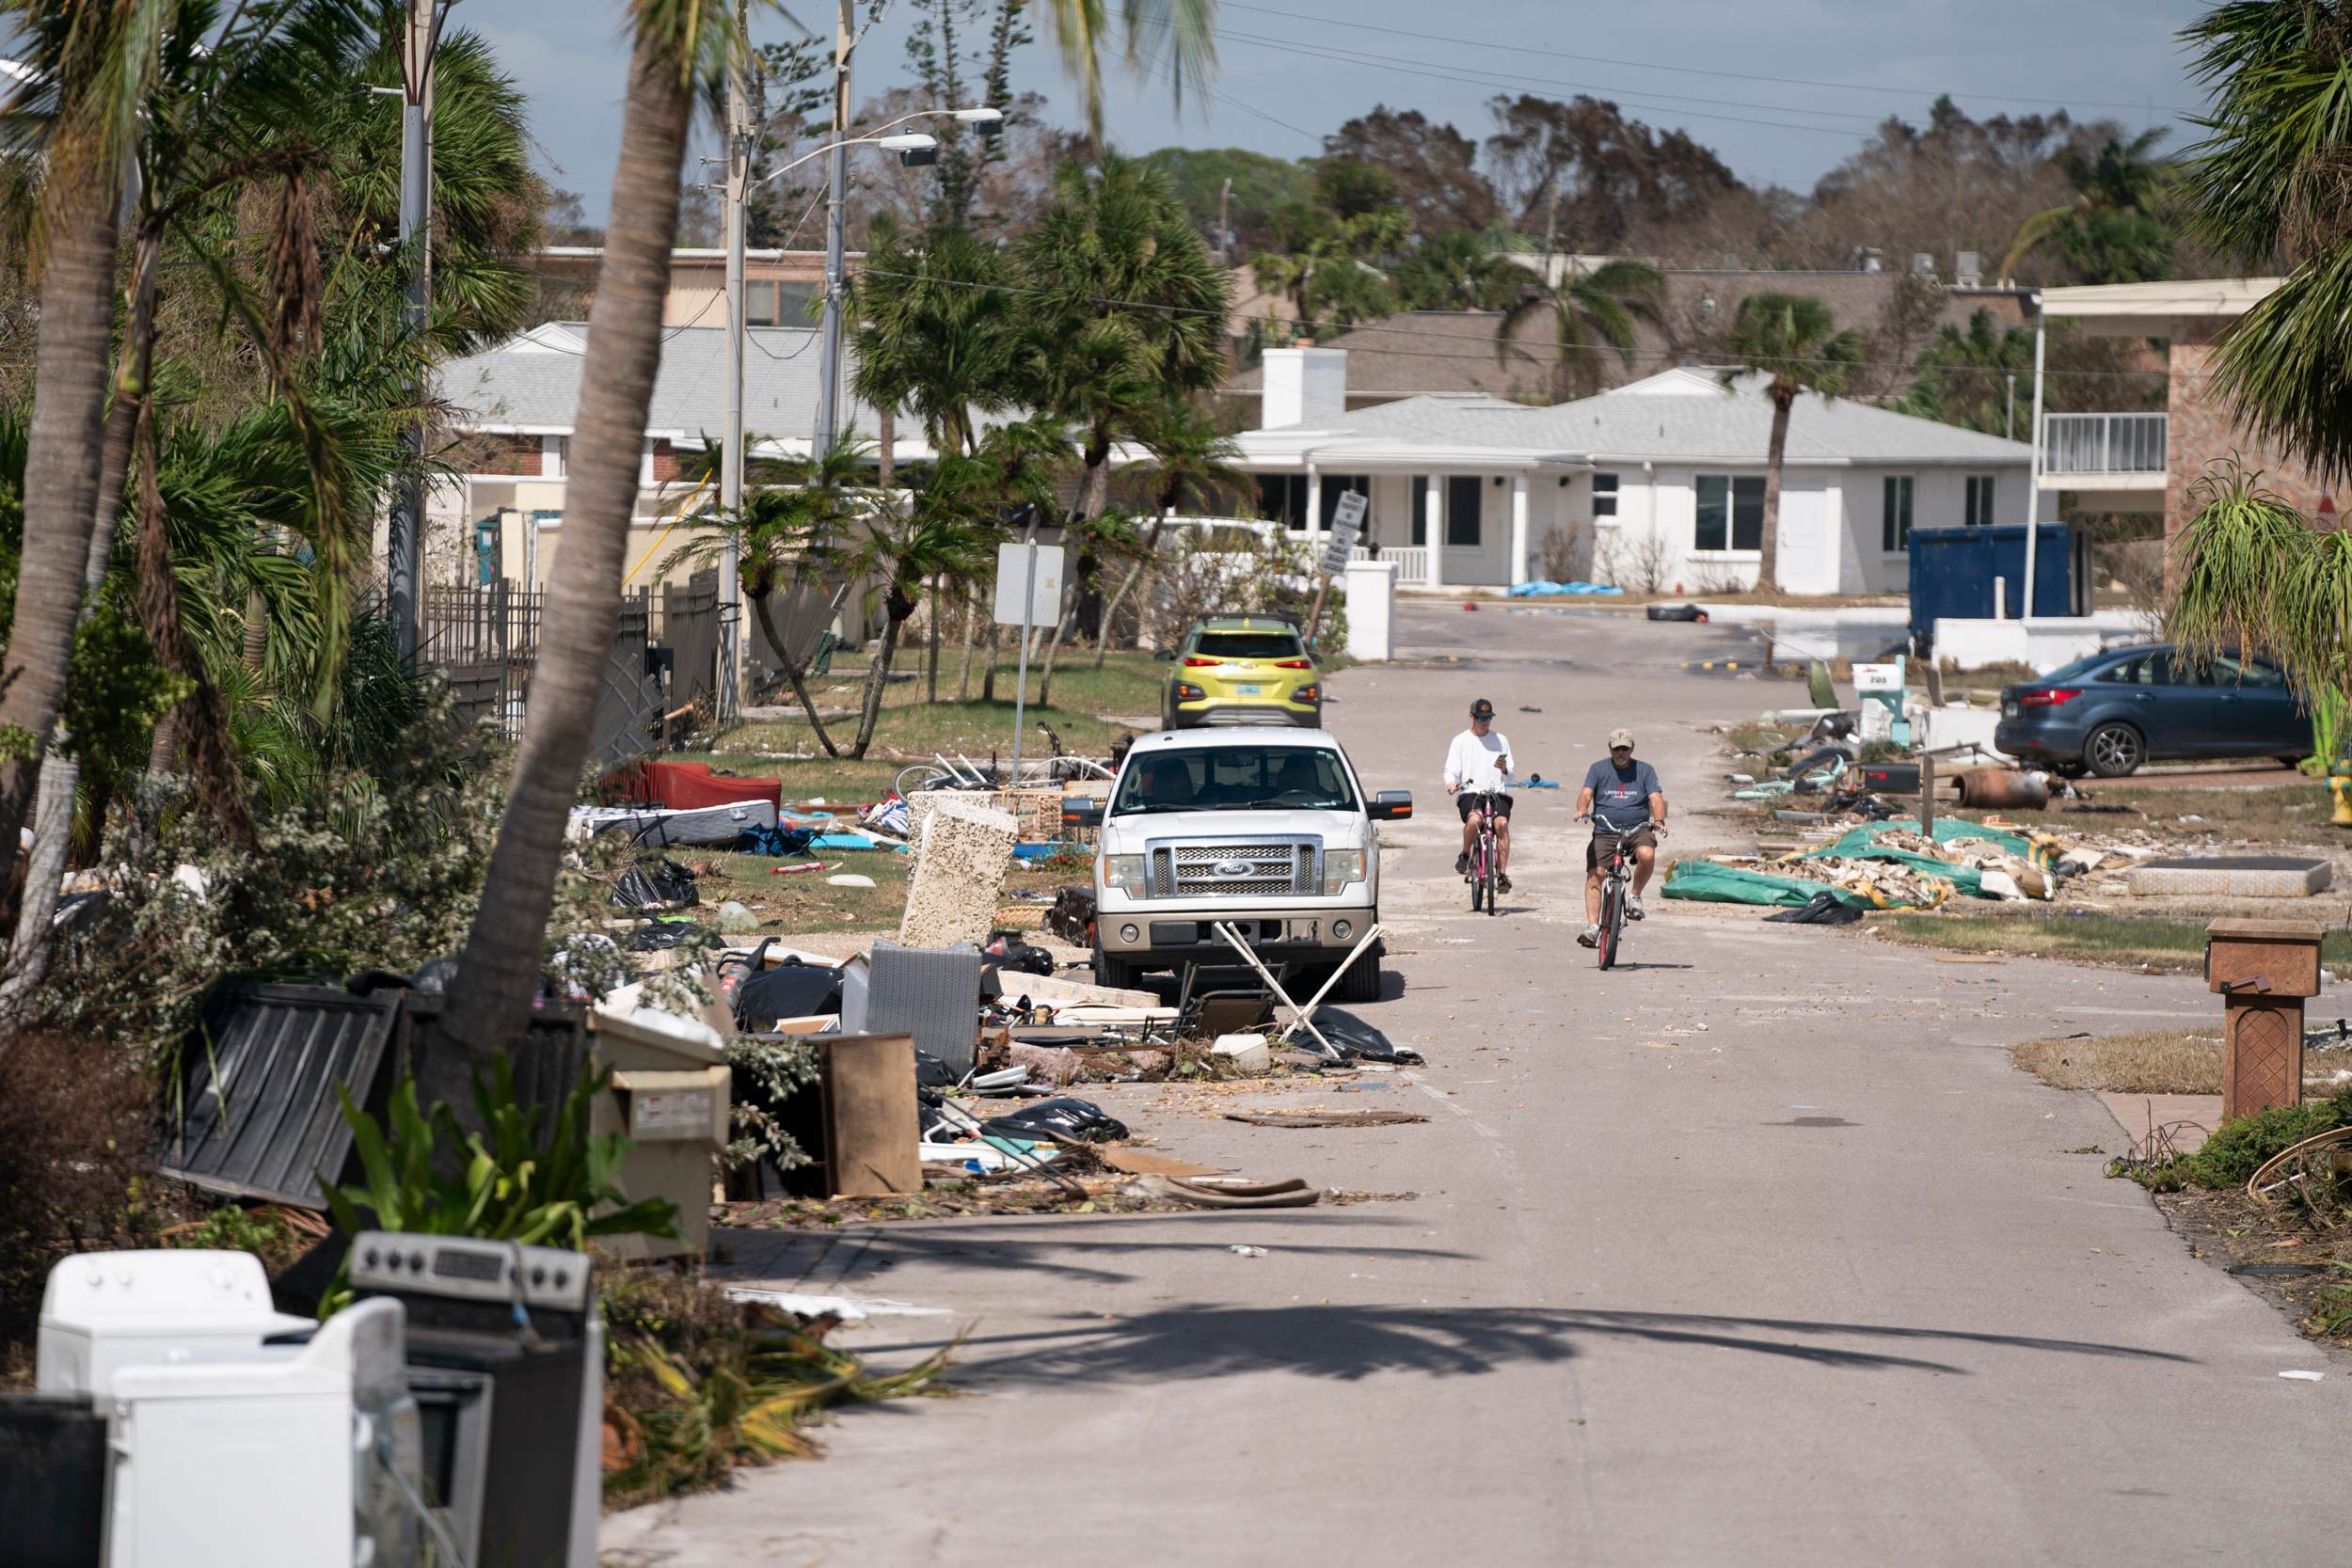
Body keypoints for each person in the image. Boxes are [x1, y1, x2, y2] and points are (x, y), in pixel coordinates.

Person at [1574, 726, 1666, 947]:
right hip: (1606, 829)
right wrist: (1582, 809)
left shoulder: (1645, 770)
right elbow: (1586, 794)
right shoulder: (1598, 768)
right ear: (1610, 748)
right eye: (1616, 749)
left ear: (1632, 748)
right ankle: (1593, 927)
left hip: (1637, 828)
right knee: (1596, 873)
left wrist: (1660, 821)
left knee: (1647, 853)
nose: (1620, 752)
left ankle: (1634, 896)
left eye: (1624, 748)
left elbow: (1655, 799)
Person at [1443, 698, 1513, 893]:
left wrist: (1505, 768)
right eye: (1481, 718)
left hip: (1496, 792)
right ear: (1471, 717)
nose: (1485, 722)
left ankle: (1503, 875)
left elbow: (1512, 773)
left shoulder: (1501, 740)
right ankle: (1465, 854)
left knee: (1502, 825)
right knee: (1475, 819)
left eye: (1488, 717)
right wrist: (1451, 782)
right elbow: (1450, 770)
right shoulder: (1460, 741)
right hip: (1471, 792)